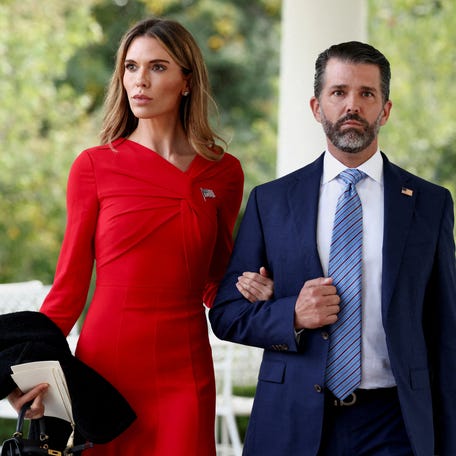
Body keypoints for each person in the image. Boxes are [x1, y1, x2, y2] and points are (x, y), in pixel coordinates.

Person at [7, 17, 273, 455]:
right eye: (131, 67)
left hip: (185, 369)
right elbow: (68, 291)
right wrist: (35, 373)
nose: (140, 81)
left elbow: (214, 281)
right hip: (106, 369)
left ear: (187, 81)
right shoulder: (93, 166)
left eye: (158, 67)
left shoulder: (224, 173)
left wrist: (251, 289)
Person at [209, 41, 456, 456]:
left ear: (386, 110)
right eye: (339, 93)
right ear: (316, 107)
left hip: (396, 423)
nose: (352, 106)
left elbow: (446, 331)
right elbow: (227, 314)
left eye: (367, 94)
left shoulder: (430, 204)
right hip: (293, 418)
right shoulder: (271, 202)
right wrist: (292, 313)